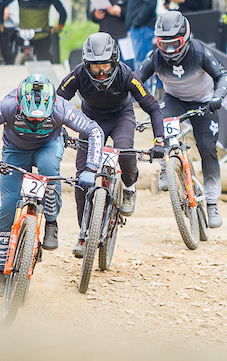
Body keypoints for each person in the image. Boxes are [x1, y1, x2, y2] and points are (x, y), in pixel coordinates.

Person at [0, 74, 104, 296]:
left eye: (41, 118)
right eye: (30, 118)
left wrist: (90, 168)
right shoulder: (8, 105)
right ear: (20, 105)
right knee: (8, 208)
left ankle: (51, 221)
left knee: (49, 169)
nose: (36, 121)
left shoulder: (62, 107)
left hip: (48, 147)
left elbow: (94, 130)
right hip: (15, 151)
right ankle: (0, 271)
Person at [58, 32, 166, 257]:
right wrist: (57, 130)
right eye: (95, 66)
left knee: (126, 153)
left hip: (121, 117)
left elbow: (153, 107)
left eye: (105, 65)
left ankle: (128, 188)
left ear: (115, 62)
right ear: (86, 64)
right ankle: (84, 233)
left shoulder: (127, 74)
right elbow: (56, 102)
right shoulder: (77, 74)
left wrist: (159, 141)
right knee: (81, 179)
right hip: (90, 121)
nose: (100, 72)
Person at [136, 11, 227, 228]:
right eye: (163, 44)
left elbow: (223, 75)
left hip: (204, 102)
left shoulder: (200, 52)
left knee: (207, 148)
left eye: (174, 43)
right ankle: (164, 168)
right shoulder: (155, 57)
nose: (169, 50)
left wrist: (218, 97)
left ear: (186, 37)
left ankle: (212, 202)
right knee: (159, 119)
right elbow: (134, 80)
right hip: (174, 99)